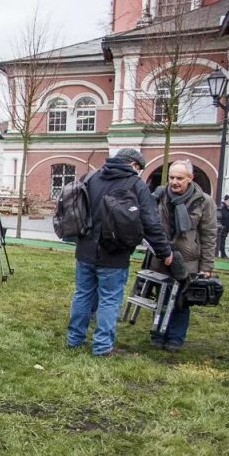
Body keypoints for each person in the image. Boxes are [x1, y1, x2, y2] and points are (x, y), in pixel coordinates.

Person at [66, 148, 173, 357]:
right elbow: (151, 222)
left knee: (82, 294)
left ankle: (74, 339)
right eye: (139, 169)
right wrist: (164, 250)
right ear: (133, 165)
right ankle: (102, 346)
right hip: (115, 253)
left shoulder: (91, 177)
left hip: (85, 250)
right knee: (109, 299)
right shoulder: (135, 185)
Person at [147, 160, 217, 351]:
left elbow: (209, 235)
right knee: (160, 297)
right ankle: (157, 334)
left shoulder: (204, 201)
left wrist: (206, 267)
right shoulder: (160, 195)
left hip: (188, 261)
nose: (174, 182)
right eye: (171, 177)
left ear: (190, 178)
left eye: (179, 178)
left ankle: (175, 338)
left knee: (181, 301)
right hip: (161, 258)